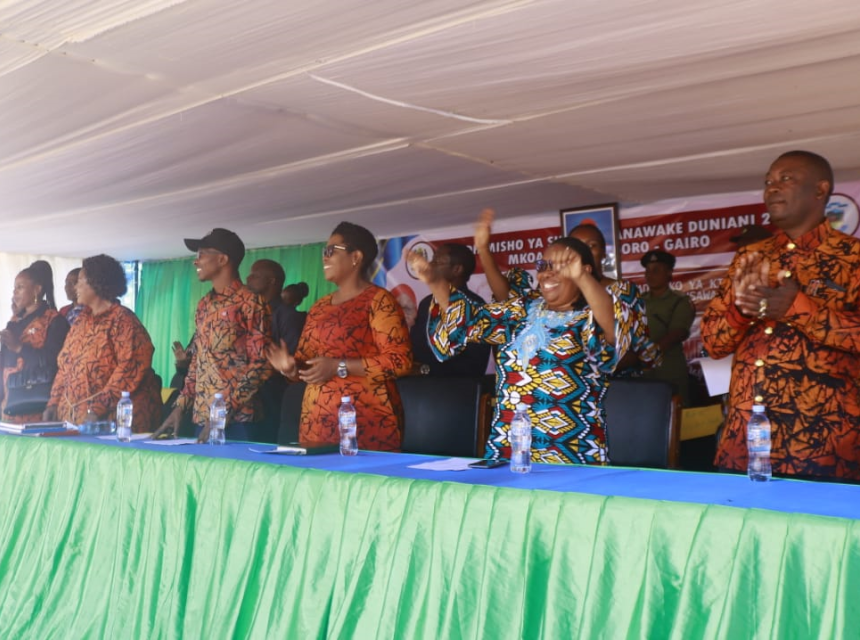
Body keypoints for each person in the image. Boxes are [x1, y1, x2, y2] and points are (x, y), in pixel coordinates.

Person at [411, 216, 635, 465]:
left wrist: (580, 276)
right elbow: (469, 321)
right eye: (543, 265)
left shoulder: (590, 317)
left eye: (561, 265)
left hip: (570, 454)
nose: (548, 272)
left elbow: (616, 331)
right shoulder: (521, 310)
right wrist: (434, 280)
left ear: (586, 270)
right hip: (508, 452)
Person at [701, 150, 860, 481]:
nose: (772, 188)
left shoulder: (853, 258)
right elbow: (713, 344)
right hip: (744, 446)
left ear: (820, 190)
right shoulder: (749, 258)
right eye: (768, 182)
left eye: (786, 179)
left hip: (825, 450)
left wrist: (798, 309)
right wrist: (740, 312)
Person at [267, 222, 412, 451]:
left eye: (331, 251)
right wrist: (291, 368)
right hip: (317, 424)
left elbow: (399, 362)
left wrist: (339, 366)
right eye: (324, 252)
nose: (324, 258)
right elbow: (308, 365)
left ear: (356, 257)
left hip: (366, 423)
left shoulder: (379, 301)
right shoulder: (319, 307)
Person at [155, 228, 273, 442]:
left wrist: (224, 411)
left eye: (201, 255)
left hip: (237, 421)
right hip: (202, 418)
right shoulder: (204, 305)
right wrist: (180, 406)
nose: (195, 262)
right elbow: (198, 362)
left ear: (222, 259)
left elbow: (261, 364)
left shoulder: (250, 302)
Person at [43, 255, 162, 431]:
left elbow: (129, 368)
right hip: (74, 422)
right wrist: (53, 402)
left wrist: (98, 408)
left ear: (96, 283)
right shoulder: (81, 321)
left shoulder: (123, 321)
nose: (76, 287)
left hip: (111, 422)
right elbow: (65, 364)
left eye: (80, 281)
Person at [568, 222, 661, 376]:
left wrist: (589, 373)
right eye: (577, 247)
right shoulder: (561, 297)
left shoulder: (623, 292)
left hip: (618, 386)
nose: (584, 253)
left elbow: (634, 349)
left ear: (604, 253)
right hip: (572, 390)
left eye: (592, 246)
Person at [0, 262, 69, 422]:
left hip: (36, 405)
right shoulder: (15, 320)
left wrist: (19, 348)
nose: (14, 292)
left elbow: (54, 362)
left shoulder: (54, 321)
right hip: (9, 404)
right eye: (14, 288)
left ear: (37, 290)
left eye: (20, 287)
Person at [410, 243, 490, 376]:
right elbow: (417, 347)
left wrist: (426, 370)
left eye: (437, 262)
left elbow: (475, 364)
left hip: (458, 391)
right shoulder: (426, 303)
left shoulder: (476, 306)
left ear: (457, 270)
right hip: (420, 389)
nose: (431, 265)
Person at [639, 249, 696, 406]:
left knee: (674, 419)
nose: (650, 275)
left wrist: (646, 355)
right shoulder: (639, 301)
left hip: (669, 371)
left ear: (669, 273)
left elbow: (677, 333)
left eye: (656, 270)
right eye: (647, 271)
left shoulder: (680, 301)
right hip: (643, 373)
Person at [279, 282, 309, 354]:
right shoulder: (303, 318)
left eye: (286, 300)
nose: (281, 302)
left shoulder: (295, 319)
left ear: (297, 303)